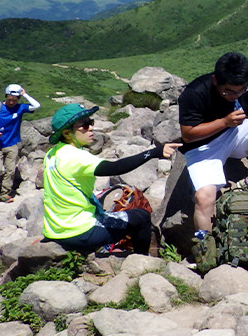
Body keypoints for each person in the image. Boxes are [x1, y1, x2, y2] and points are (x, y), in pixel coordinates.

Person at [177, 51, 248, 261]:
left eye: (239, 92)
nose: (234, 96)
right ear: (215, 80)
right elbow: (188, 134)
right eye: (228, 92)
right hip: (203, 147)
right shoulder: (195, 92)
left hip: (232, 134)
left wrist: (234, 123)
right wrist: (224, 122)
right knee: (204, 198)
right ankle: (206, 250)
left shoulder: (244, 88)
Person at [43, 103, 178, 255]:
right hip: (79, 232)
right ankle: (142, 261)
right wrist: (154, 152)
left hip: (54, 229)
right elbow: (115, 168)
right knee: (141, 217)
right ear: (67, 133)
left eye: (91, 122)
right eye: (84, 126)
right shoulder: (76, 157)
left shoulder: (52, 154)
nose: (91, 128)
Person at [0, 83, 41, 202]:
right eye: (9, 99)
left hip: (12, 143)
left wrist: (25, 95)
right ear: (6, 96)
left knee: (10, 170)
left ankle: (5, 193)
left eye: (14, 100)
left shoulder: (20, 108)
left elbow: (37, 105)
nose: (12, 102)